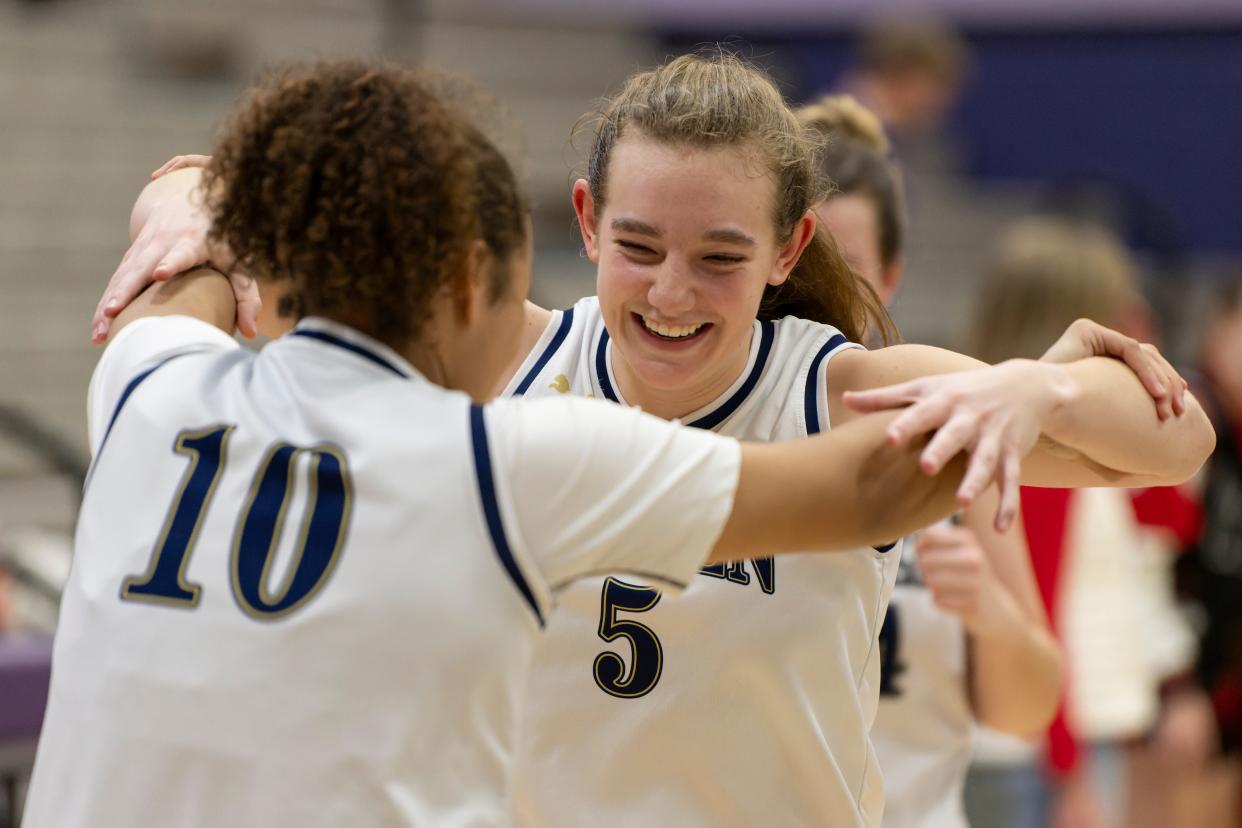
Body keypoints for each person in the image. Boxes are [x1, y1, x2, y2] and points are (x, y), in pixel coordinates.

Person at [97, 54, 1214, 828]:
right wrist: (183, 188)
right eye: (637, 247)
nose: (671, 292)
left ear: (790, 251)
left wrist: (1036, 395)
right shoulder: (512, 365)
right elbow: (327, 212)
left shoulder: (838, 390)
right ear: (583, 222)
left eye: (719, 257)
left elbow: (1181, 443)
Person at [797, 93, 1058, 828]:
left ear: (893, 274)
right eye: (801, 264)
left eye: (844, 268)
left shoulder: (949, 428)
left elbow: (1026, 712)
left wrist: (992, 615)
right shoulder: (726, 425)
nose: (817, 294)